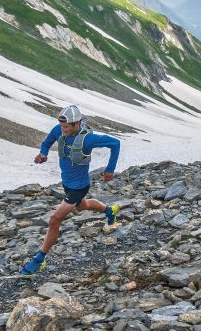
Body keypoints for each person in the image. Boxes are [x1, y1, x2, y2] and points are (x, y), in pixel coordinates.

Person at [19, 104, 121, 277]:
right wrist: (43, 154)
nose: (63, 130)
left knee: (54, 219)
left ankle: (40, 259)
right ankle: (110, 211)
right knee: (83, 206)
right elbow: (46, 143)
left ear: (77, 123)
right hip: (67, 183)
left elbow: (115, 143)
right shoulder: (59, 130)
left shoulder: (88, 139)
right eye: (61, 126)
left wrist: (110, 169)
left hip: (79, 186)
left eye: (67, 127)